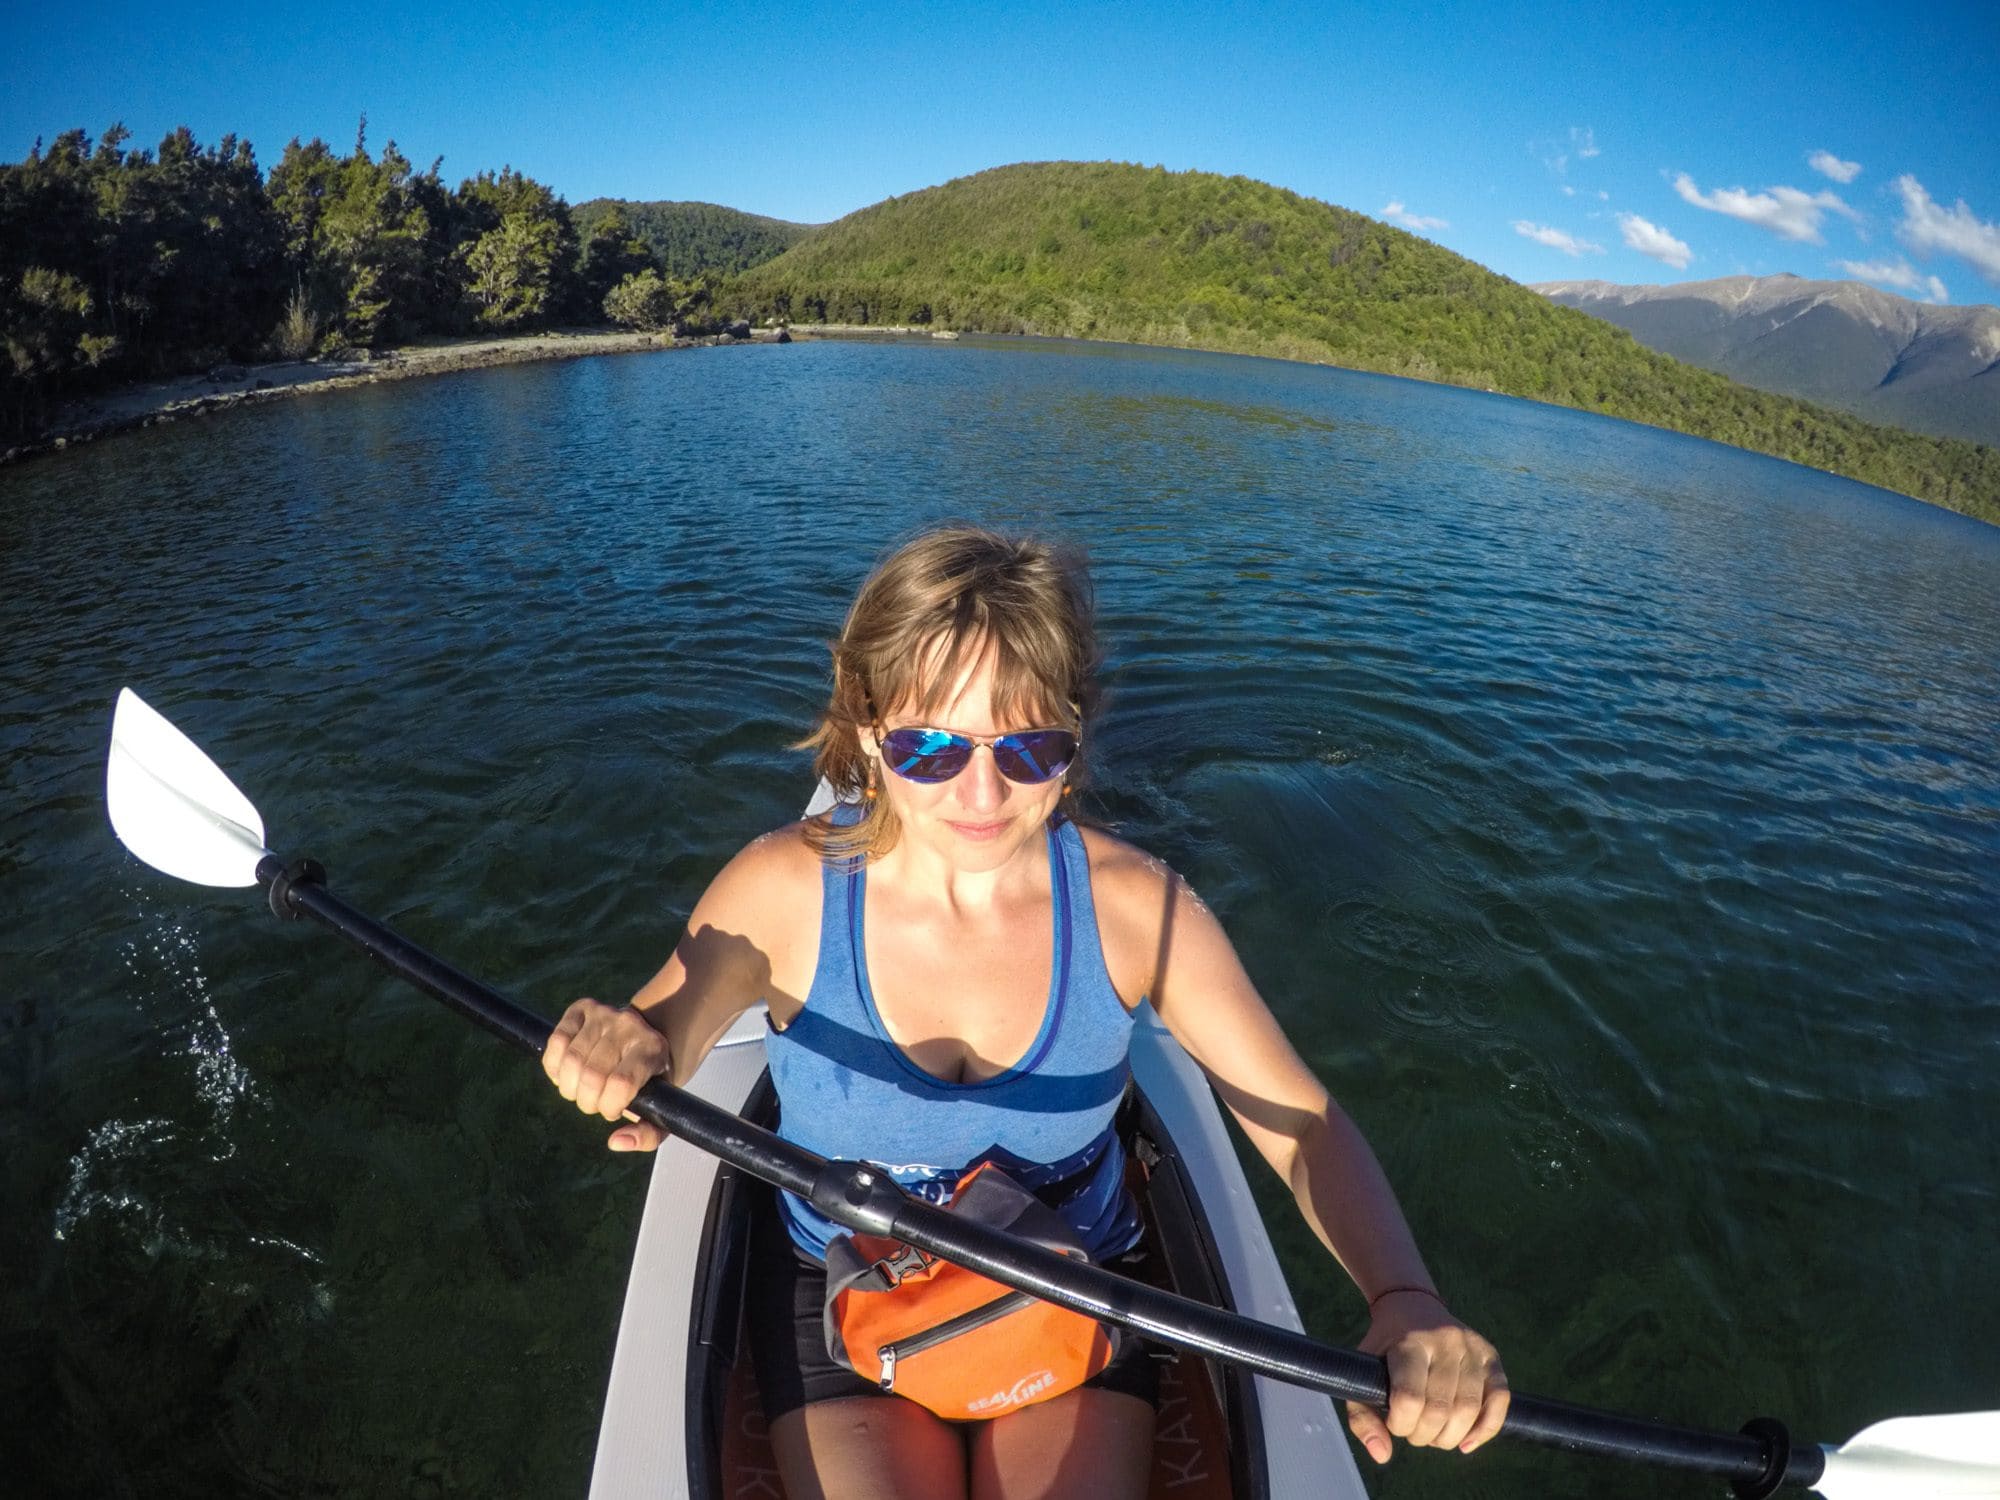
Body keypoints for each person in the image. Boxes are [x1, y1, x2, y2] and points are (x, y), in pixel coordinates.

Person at [543, 526, 1508, 1500]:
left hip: (1068, 1282)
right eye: (930, 747)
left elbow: (1299, 1123)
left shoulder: (1141, 912)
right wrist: (627, 1053)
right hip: (838, 1290)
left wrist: (1403, 1298)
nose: (980, 792)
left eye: (1028, 748)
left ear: (1074, 741)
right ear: (868, 729)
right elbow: (666, 1029)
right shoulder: (780, 889)